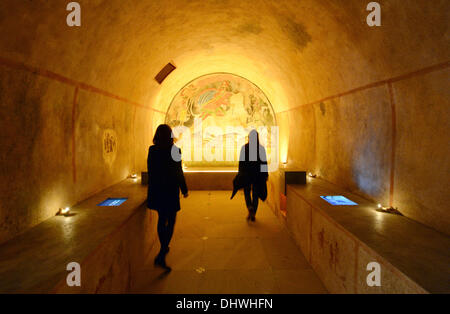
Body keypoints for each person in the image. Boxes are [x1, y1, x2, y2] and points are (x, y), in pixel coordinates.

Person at [147, 124, 188, 271]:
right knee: (171, 220)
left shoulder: (152, 150)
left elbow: (150, 171)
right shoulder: (175, 150)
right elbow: (178, 172)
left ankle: (163, 248)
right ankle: (162, 252)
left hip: (158, 190)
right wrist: (184, 190)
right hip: (170, 190)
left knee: (161, 218)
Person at [232, 130, 268, 222]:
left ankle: (249, 207)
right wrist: (265, 175)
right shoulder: (261, 148)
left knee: (247, 192)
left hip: (247, 175)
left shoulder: (244, 148)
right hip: (257, 175)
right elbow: (264, 163)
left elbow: (241, 162)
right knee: (255, 194)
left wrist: (240, 173)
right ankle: (253, 213)